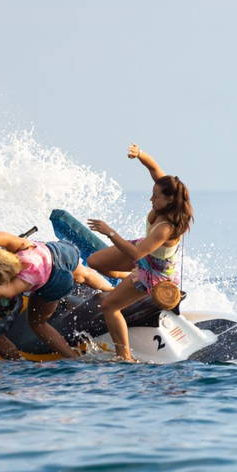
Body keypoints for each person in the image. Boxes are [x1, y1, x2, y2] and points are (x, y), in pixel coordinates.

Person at [85, 144, 193, 362]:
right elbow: (154, 169)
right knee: (95, 261)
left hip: (154, 271)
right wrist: (140, 154)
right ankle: (128, 279)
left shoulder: (166, 227)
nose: (151, 200)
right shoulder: (168, 191)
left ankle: (124, 357)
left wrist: (110, 232)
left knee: (109, 306)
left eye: (156, 197)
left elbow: (137, 255)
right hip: (143, 252)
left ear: (170, 200)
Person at [0, 232, 113, 359]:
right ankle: (111, 289)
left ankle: (72, 357)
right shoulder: (22, 245)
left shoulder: (26, 279)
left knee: (38, 323)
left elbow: (8, 291)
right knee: (84, 275)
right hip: (60, 252)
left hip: (58, 282)